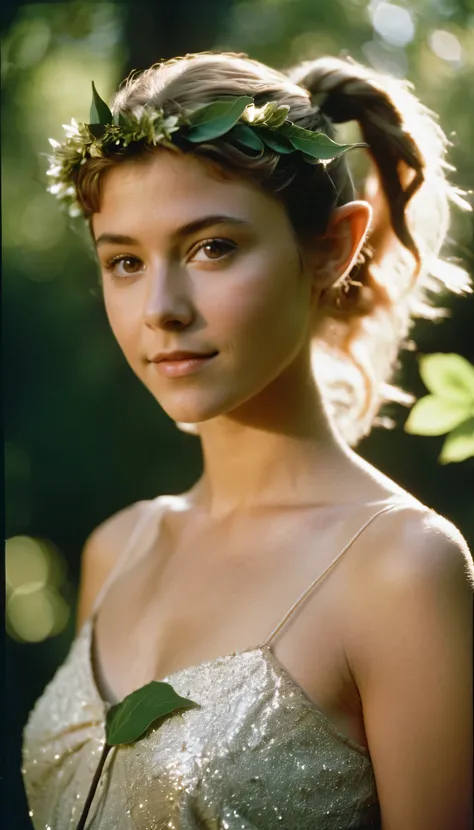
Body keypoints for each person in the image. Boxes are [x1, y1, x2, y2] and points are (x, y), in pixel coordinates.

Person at [22, 51, 473, 830]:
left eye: (211, 247)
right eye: (124, 261)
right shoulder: (117, 548)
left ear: (332, 246)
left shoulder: (401, 570)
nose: (160, 307)